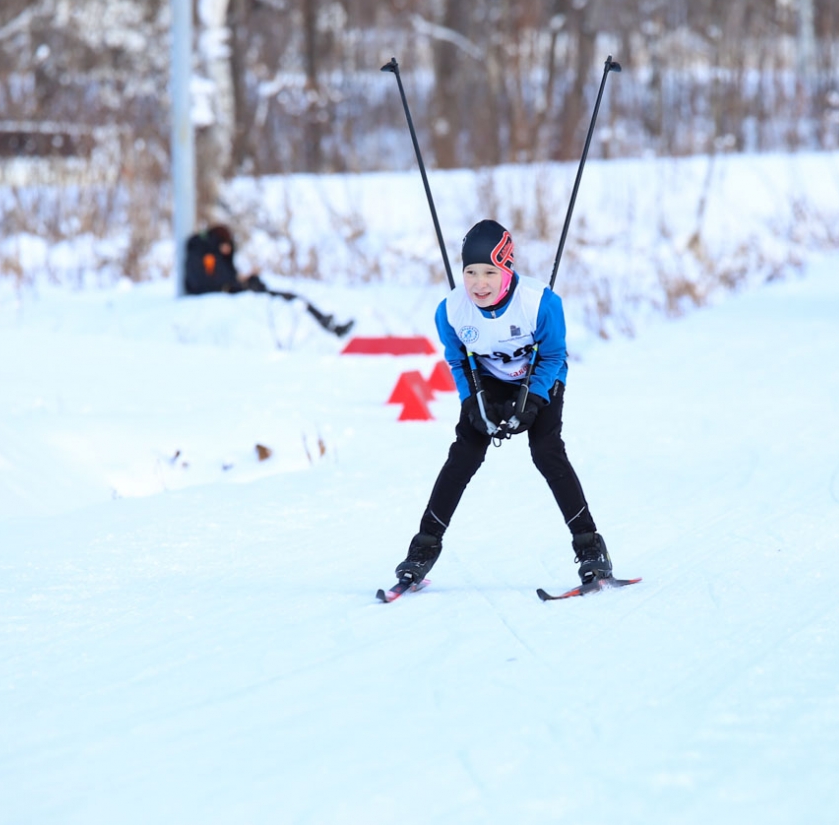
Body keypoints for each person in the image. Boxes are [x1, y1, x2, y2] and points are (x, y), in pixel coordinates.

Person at [393, 219, 613, 587]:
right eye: (470, 272)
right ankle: (423, 549)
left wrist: (534, 400)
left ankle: (591, 547)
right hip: (488, 381)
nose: (479, 283)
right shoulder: (450, 310)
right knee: (464, 453)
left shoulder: (540, 303)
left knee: (546, 451)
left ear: (507, 269)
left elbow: (554, 354)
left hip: (539, 378)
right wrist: (470, 403)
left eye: (489, 272)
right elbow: (458, 359)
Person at [184, 224, 354, 338]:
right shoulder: (206, 255)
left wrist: (243, 279)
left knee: (292, 299)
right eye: (226, 245)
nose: (228, 249)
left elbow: (223, 278)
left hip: (239, 292)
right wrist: (238, 282)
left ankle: (328, 324)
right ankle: (328, 326)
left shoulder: (212, 254)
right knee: (291, 300)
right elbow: (211, 282)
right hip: (234, 296)